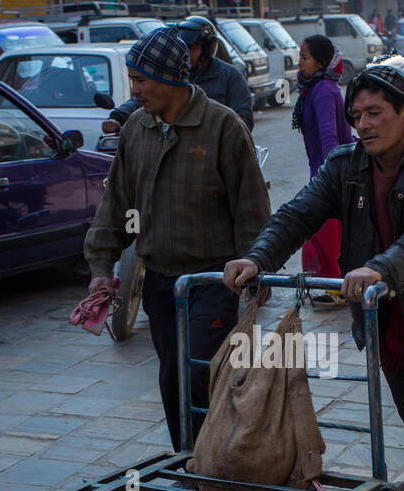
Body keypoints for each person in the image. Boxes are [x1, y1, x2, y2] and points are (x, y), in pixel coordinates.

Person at [221, 65, 404, 491]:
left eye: (375, 113)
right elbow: (297, 214)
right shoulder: (345, 167)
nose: (363, 124)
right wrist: (259, 258)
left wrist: (381, 267)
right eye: (356, 114)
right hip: (383, 320)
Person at [83, 28, 271, 451]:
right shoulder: (136, 129)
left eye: (141, 80)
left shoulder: (222, 126)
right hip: (160, 282)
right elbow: (115, 205)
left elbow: (252, 209)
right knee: (172, 374)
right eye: (132, 79)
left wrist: (259, 270)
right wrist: (100, 270)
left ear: (170, 79)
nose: (134, 89)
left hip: (213, 282)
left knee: (200, 371)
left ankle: (220, 461)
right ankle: (189, 463)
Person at [107, 15, 254, 133]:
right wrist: (118, 117)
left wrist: (216, 132)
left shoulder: (229, 76)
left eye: (191, 48)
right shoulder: (171, 74)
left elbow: (244, 120)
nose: (185, 53)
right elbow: (146, 97)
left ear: (206, 49)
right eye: (182, 48)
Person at [294, 34, 353, 307]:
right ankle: (330, 284)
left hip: (327, 173)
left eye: (305, 58)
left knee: (326, 233)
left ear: (320, 63)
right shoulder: (315, 88)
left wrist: (329, 177)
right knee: (322, 232)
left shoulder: (323, 91)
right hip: (321, 170)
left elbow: (329, 135)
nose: (300, 63)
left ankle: (337, 287)